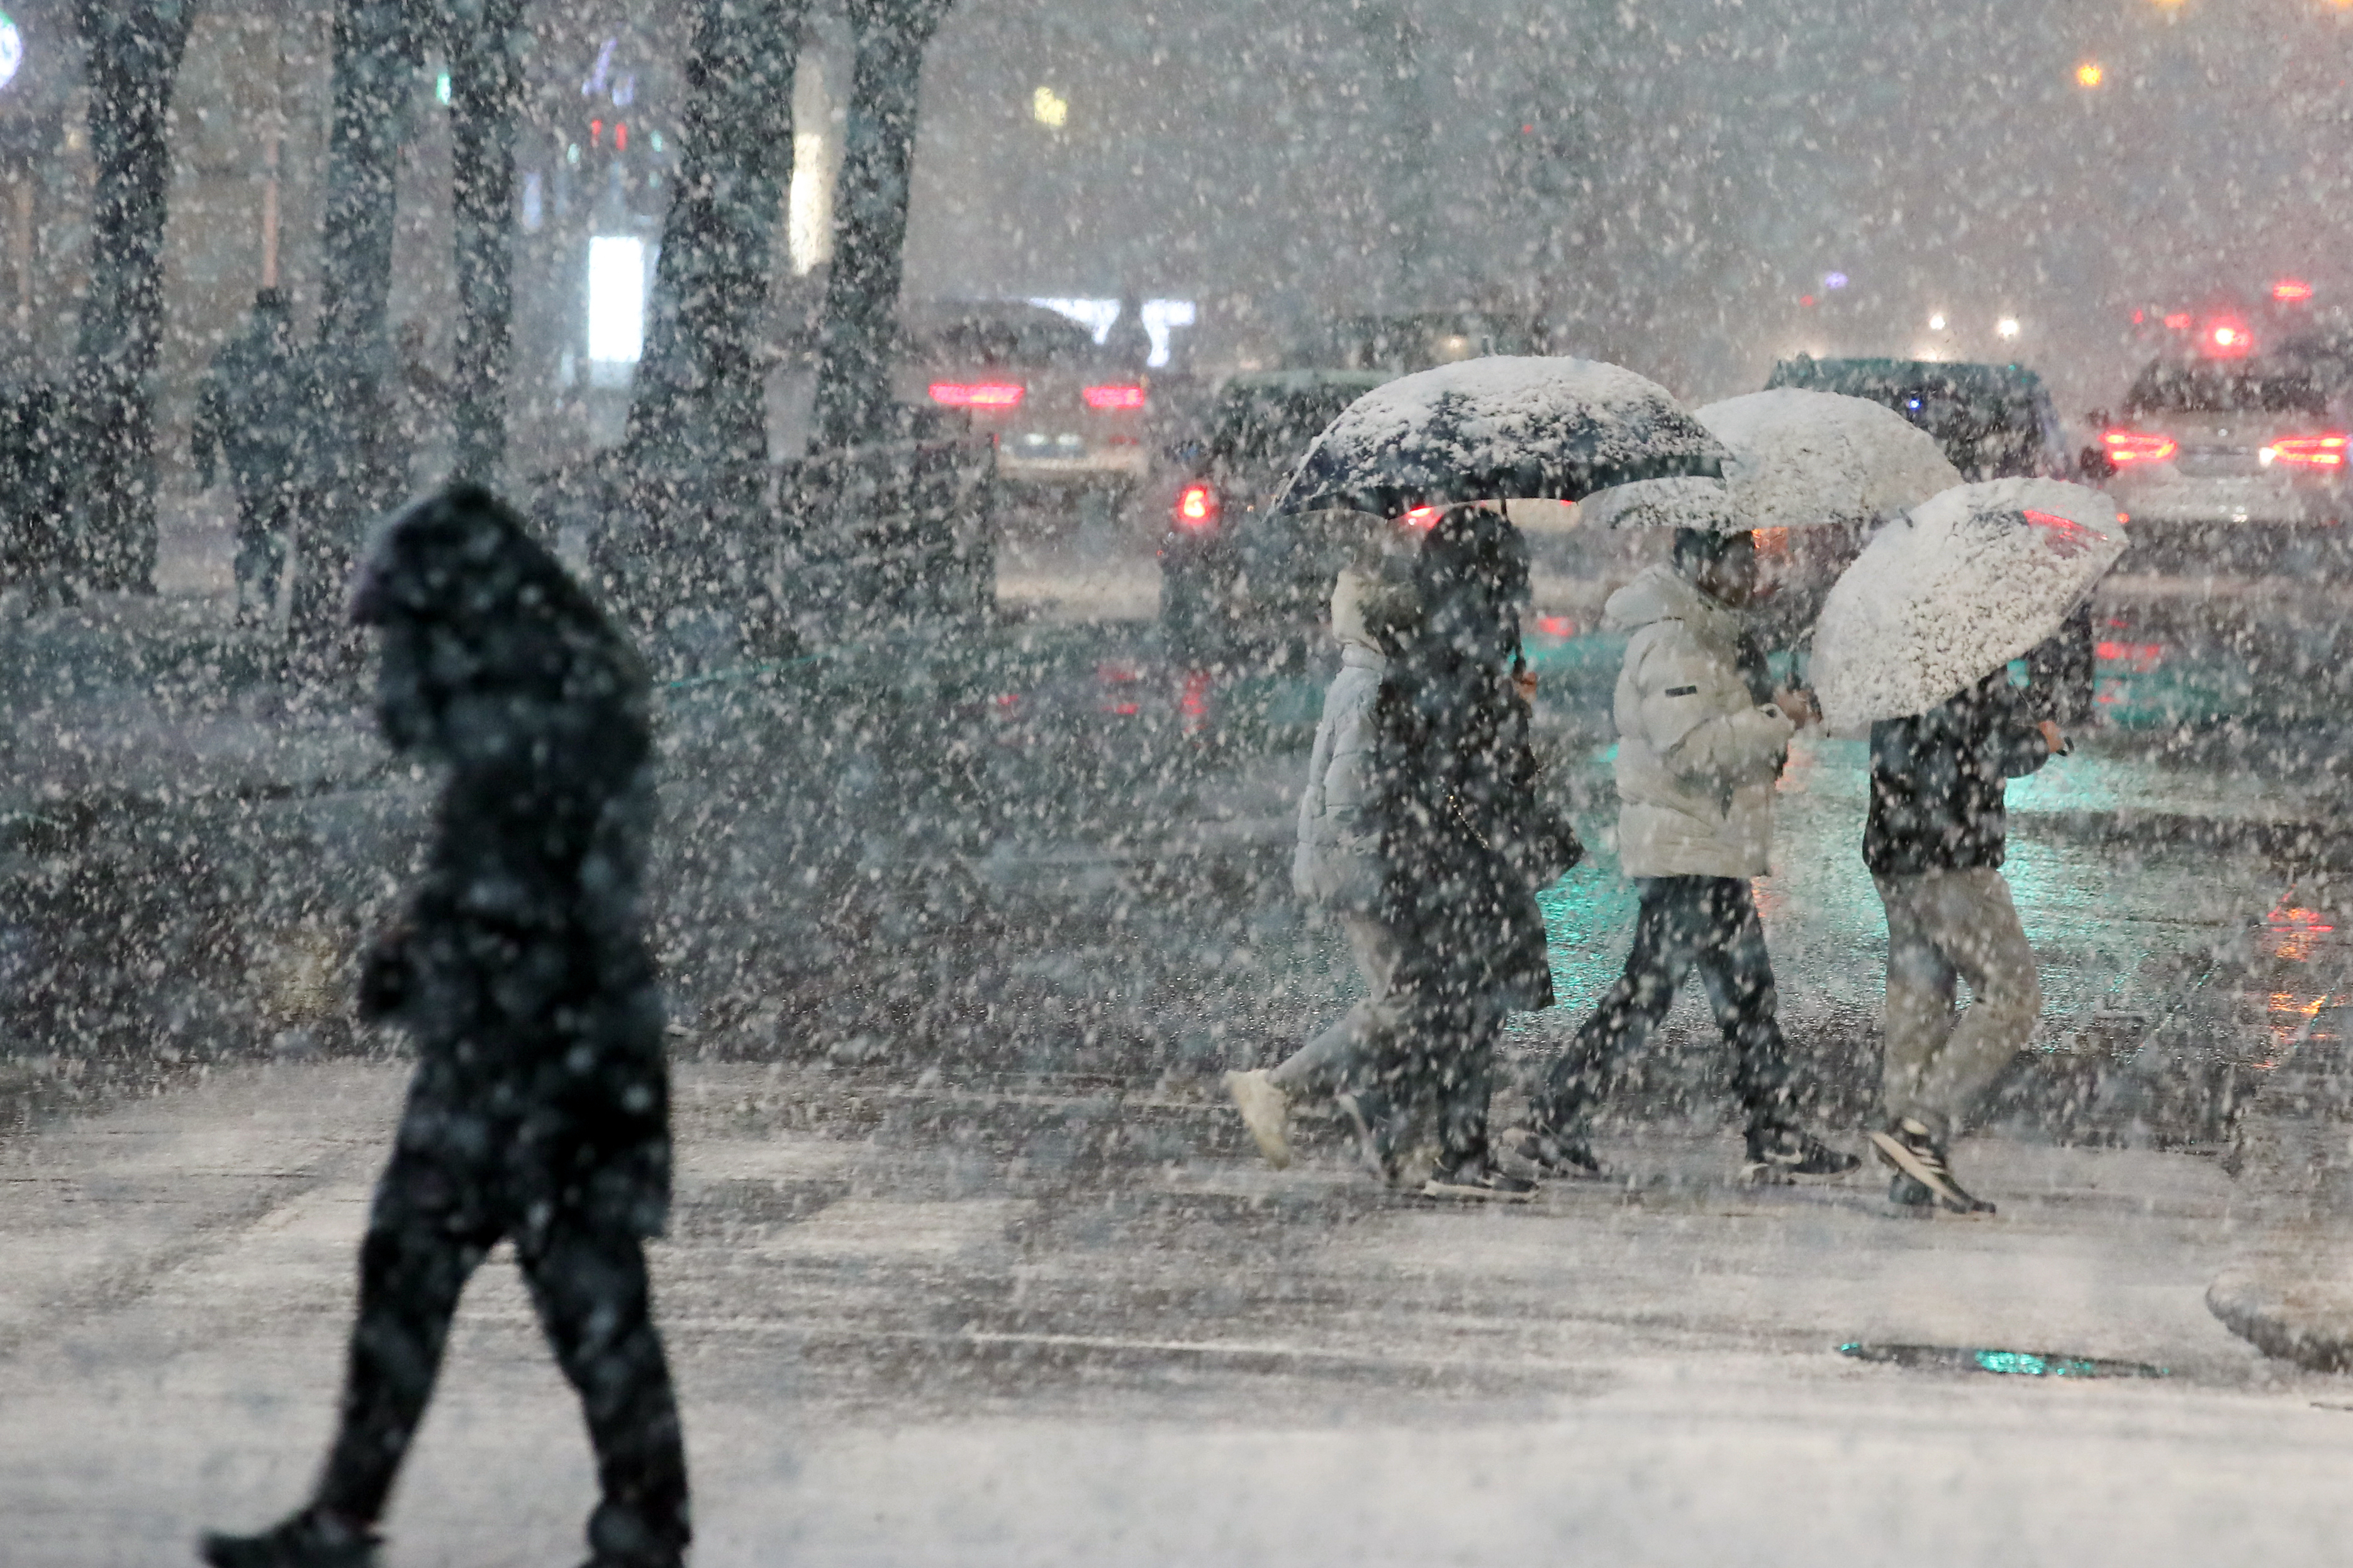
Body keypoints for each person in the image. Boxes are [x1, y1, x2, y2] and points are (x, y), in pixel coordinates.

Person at [202, 486, 689, 1568]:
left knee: (571, 1294)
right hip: (532, 1058)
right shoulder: (542, 709)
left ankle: (632, 1524)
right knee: (499, 1284)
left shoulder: (543, 729)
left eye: (405, 640)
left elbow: (548, 905)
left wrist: (445, 966)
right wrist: (426, 952)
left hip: (543, 1068)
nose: (390, 673)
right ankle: (631, 1523)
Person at [1511, 528, 1858, 1184]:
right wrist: (1775, 718)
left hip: (1706, 848)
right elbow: (1691, 751)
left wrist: (1772, 705)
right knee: (1659, 997)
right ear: (1699, 565)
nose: (1748, 571)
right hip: (1685, 852)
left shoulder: (1710, 633)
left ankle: (1767, 1130)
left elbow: (1725, 731)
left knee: (1737, 998)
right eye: (1736, 560)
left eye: (1750, 558)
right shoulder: (1674, 641)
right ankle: (1554, 1122)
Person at [1225, 559, 1416, 1170]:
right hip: (1360, 870)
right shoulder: (1371, 689)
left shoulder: (1367, 680)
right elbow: (1350, 795)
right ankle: (1279, 1086)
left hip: (1354, 866)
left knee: (1407, 1000)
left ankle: (1381, 1116)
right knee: (1404, 1003)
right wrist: (1391, 845)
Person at [1862, 666, 2064, 1215]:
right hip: (1949, 856)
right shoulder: (1965, 664)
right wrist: (2040, 740)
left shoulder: (1902, 658)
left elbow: (1926, 753)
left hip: (1895, 850)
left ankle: (1911, 1162)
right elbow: (1982, 754)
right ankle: (1921, 1128)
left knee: (1920, 994)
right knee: (2012, 994)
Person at [192, 289, 318, 625]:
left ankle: (251, 601)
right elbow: (312, 411)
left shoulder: (234, 354)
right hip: (280, 460)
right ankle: (263, 596)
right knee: (273, 527)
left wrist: (205, 460)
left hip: (246, 459)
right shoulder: (291, 356)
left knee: (252, 526)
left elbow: (208, 408)